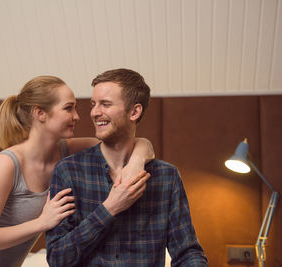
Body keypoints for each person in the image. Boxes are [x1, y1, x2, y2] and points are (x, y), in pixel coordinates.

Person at [0, 75, 155, 267]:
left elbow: (133, 144)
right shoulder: (7, 163)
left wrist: (136, 162)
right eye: (69, 108)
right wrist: (41, 223)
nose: (77, 116)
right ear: (40, 113)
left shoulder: (67, 151)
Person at [46, 69, 208, 266]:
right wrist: (110, 209)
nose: (94, 112)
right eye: (93, 104)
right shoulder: (69, 171)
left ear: (134, 111)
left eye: (105, 104)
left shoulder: (167, 177)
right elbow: (57, 259)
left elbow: (187, 252)